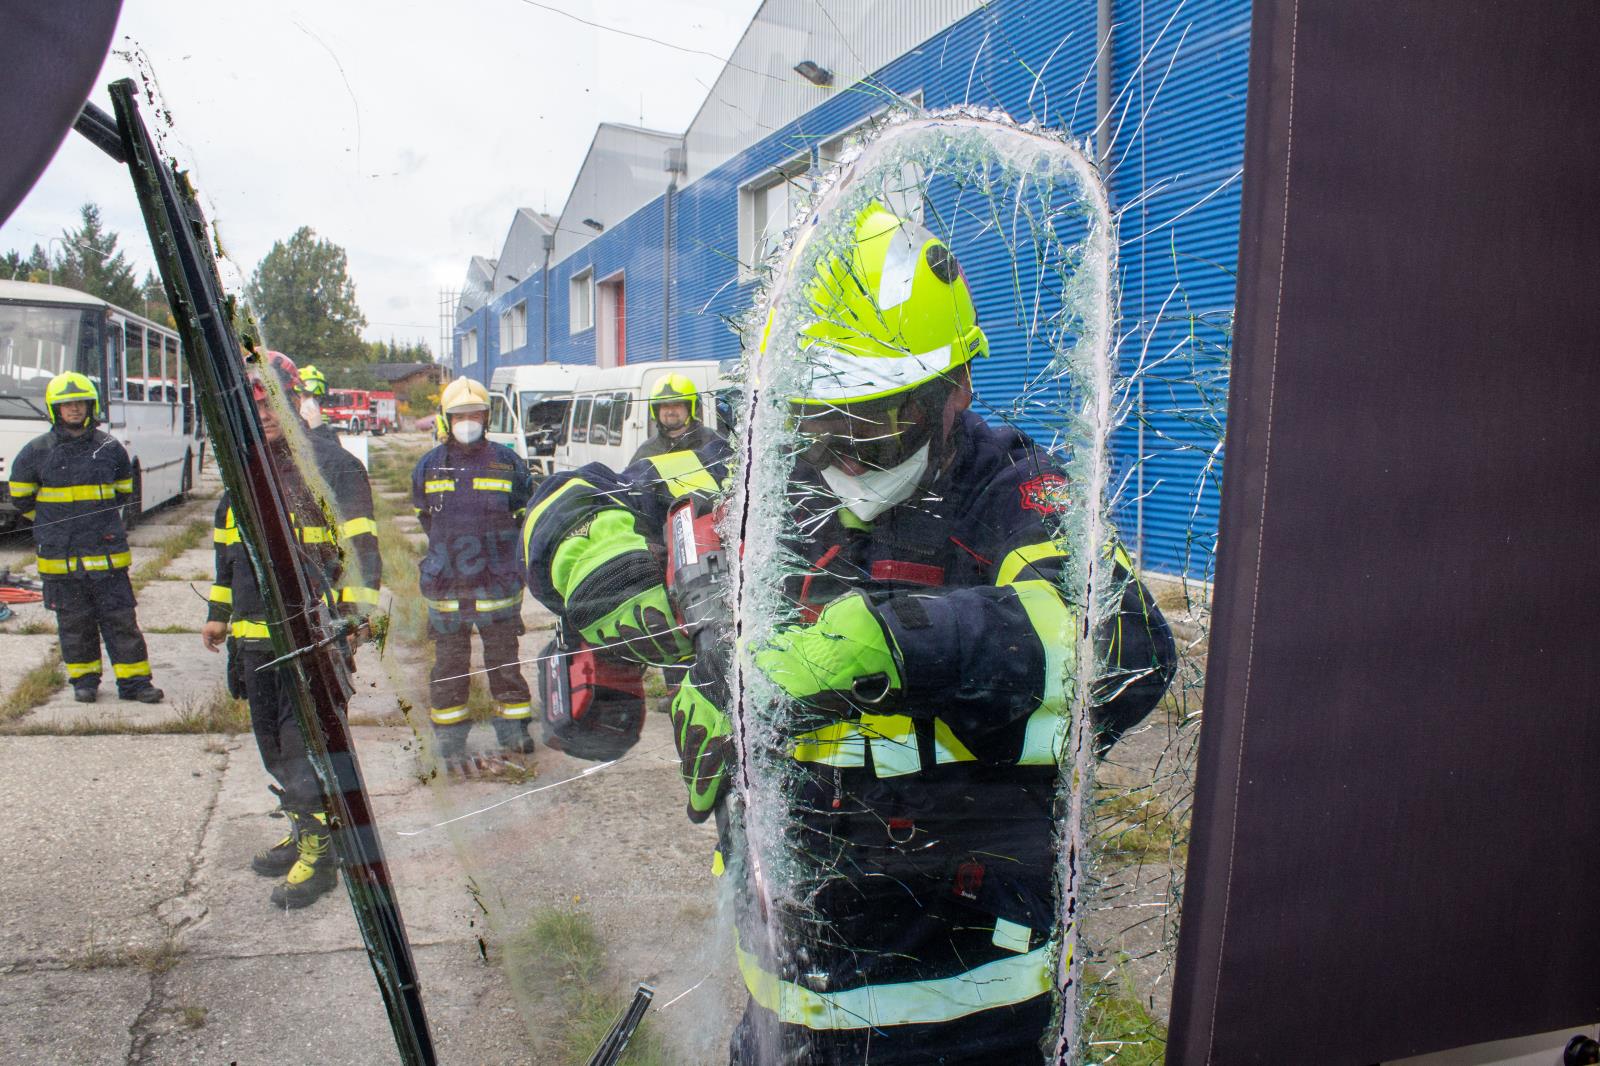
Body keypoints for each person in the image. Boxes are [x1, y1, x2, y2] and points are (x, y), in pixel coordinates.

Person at [521, 207, 1176, 1064]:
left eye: (877, 422)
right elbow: (576, 499)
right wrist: (600, 563)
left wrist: (881, 643)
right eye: (824, 423)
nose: (849, 457)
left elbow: (1124, 647)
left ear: (957, 390)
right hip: (780, 997)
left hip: (968, 1012)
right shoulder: (767, 470)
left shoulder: (1013, 488)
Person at [201, 351, 381, 908]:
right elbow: (228, 553)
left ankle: (323, 858)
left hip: (309, 641)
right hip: (254, 640)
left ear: (294, 397)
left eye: (272, 398)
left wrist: (352, 616)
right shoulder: (243, 472)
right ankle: (309, 830)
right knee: (274, 747)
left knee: (308, 748)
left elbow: (362, 550)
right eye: (254, 404)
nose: (265, 412)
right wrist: (218, 611)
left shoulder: (332, 465)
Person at [8, 372, 164, 704]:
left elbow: (124, 493)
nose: (75, 409)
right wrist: (56, 525)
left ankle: (135, 683)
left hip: (107, 558)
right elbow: (21, 499)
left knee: (121, 620)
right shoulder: (34, 452)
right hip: (60, 559)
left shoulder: (109, 448)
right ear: (55, 409)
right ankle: (84, 680)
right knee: (74, 624)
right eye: (67, 404)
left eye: (80, 403)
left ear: (90, 406)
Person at [413, 378, 536, 772]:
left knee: (504, 663)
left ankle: (514, 733)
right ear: (446, 420)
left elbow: (523, 514)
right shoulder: (429, 465)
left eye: (474, 415)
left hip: (498, 585)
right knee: (449, 666)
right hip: (446, 587)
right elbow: (424, 517)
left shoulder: (508, 462)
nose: (468, 421)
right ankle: (449, 742)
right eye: (459, 416)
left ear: (487, 417)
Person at [629, 372, 724, 464]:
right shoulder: (646, 452)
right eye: (665, 406)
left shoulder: (715, 444)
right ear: (656, 411)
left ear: (690, 408)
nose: (670, 411)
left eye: (677, 405)